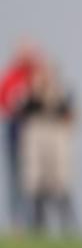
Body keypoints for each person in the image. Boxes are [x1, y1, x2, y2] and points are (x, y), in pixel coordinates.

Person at [19, 62, 76, 232]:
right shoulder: (30, 95)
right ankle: (38, 225)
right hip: (37, 144)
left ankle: (68, 226)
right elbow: (22, 112)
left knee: (61, 184)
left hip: (57, 144)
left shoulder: (63, 94)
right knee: (37, 185)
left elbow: (69, 115)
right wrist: (35, 94)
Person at [0, 38, 40, 229]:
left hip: (36, 133)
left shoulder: (39, 74)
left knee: (34, 179)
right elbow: (3, 102)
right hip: (15, 130)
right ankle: (17, 222)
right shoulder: (10, 76)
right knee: (15, 177)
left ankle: (36, 221)